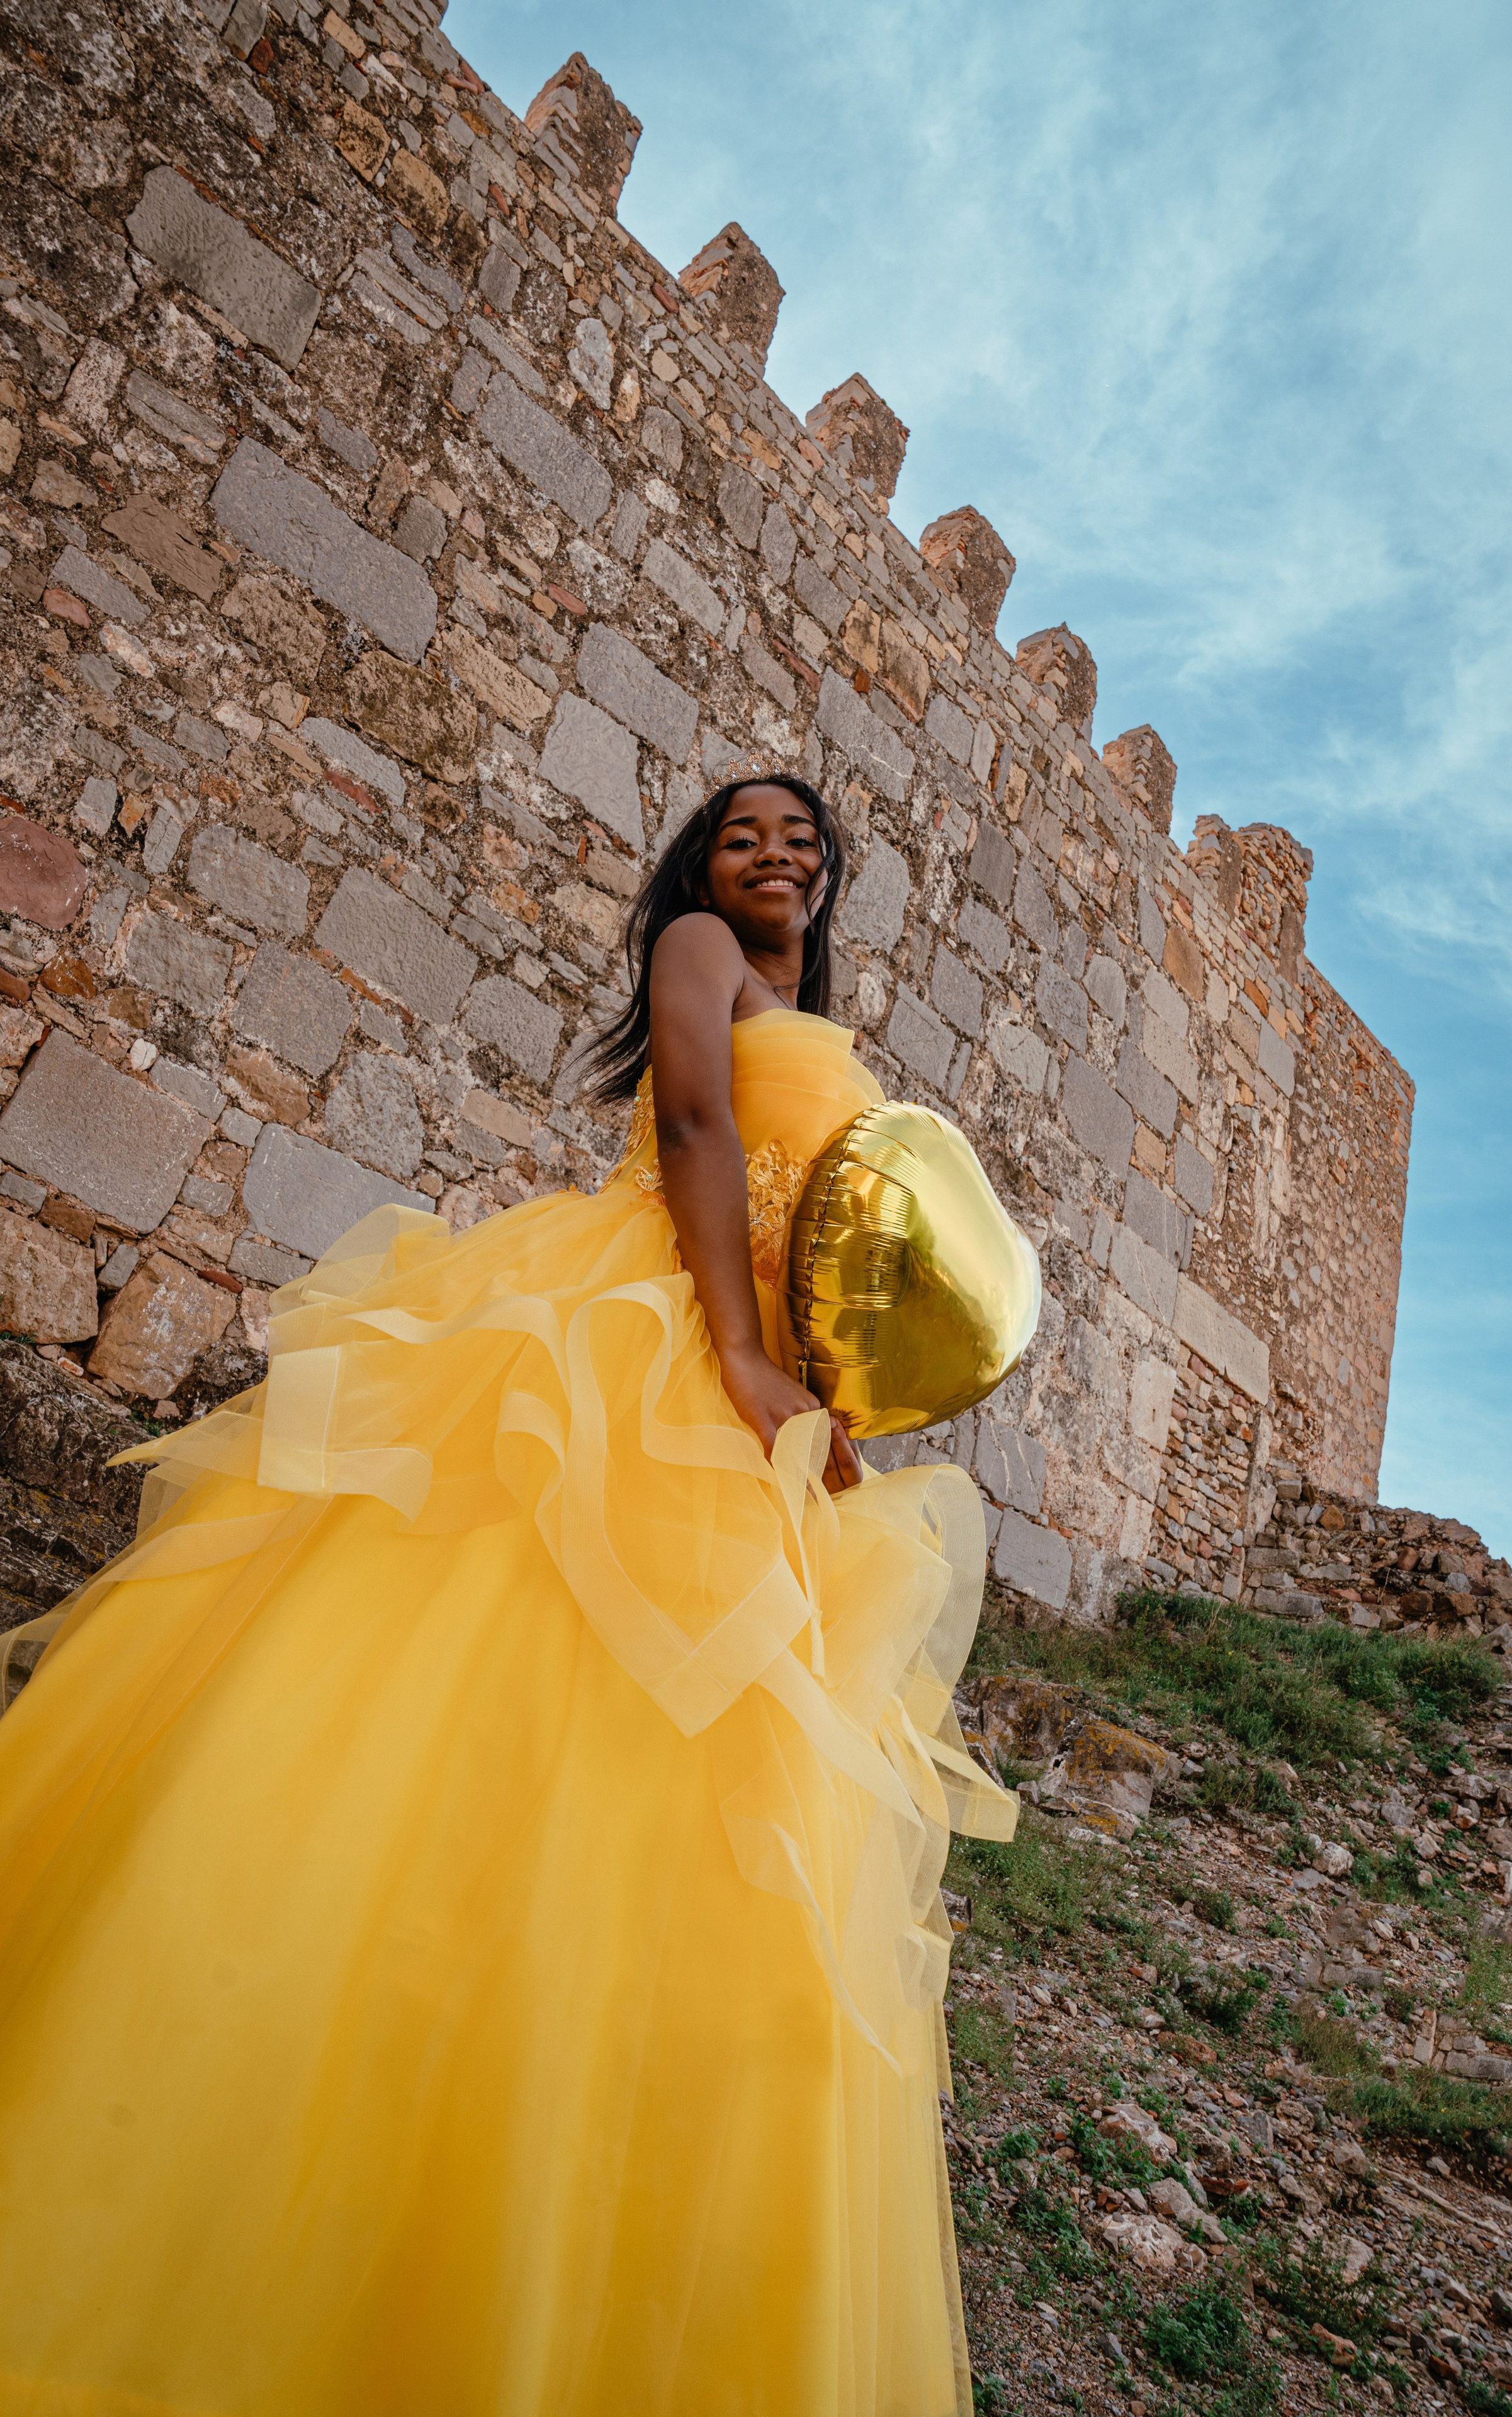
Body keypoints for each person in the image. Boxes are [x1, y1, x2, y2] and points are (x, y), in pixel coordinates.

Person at [0, 770, 1015, 2416]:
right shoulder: (699, 950)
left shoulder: (827, 1038)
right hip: (641, 1344)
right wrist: (744, 1355)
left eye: (806, 841)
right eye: (747, 831)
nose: (778, 855)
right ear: (703, 864)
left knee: (697, 1789)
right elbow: (693, 1126)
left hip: (759, 1399)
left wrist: (832, 1379)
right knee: (491, 1681)